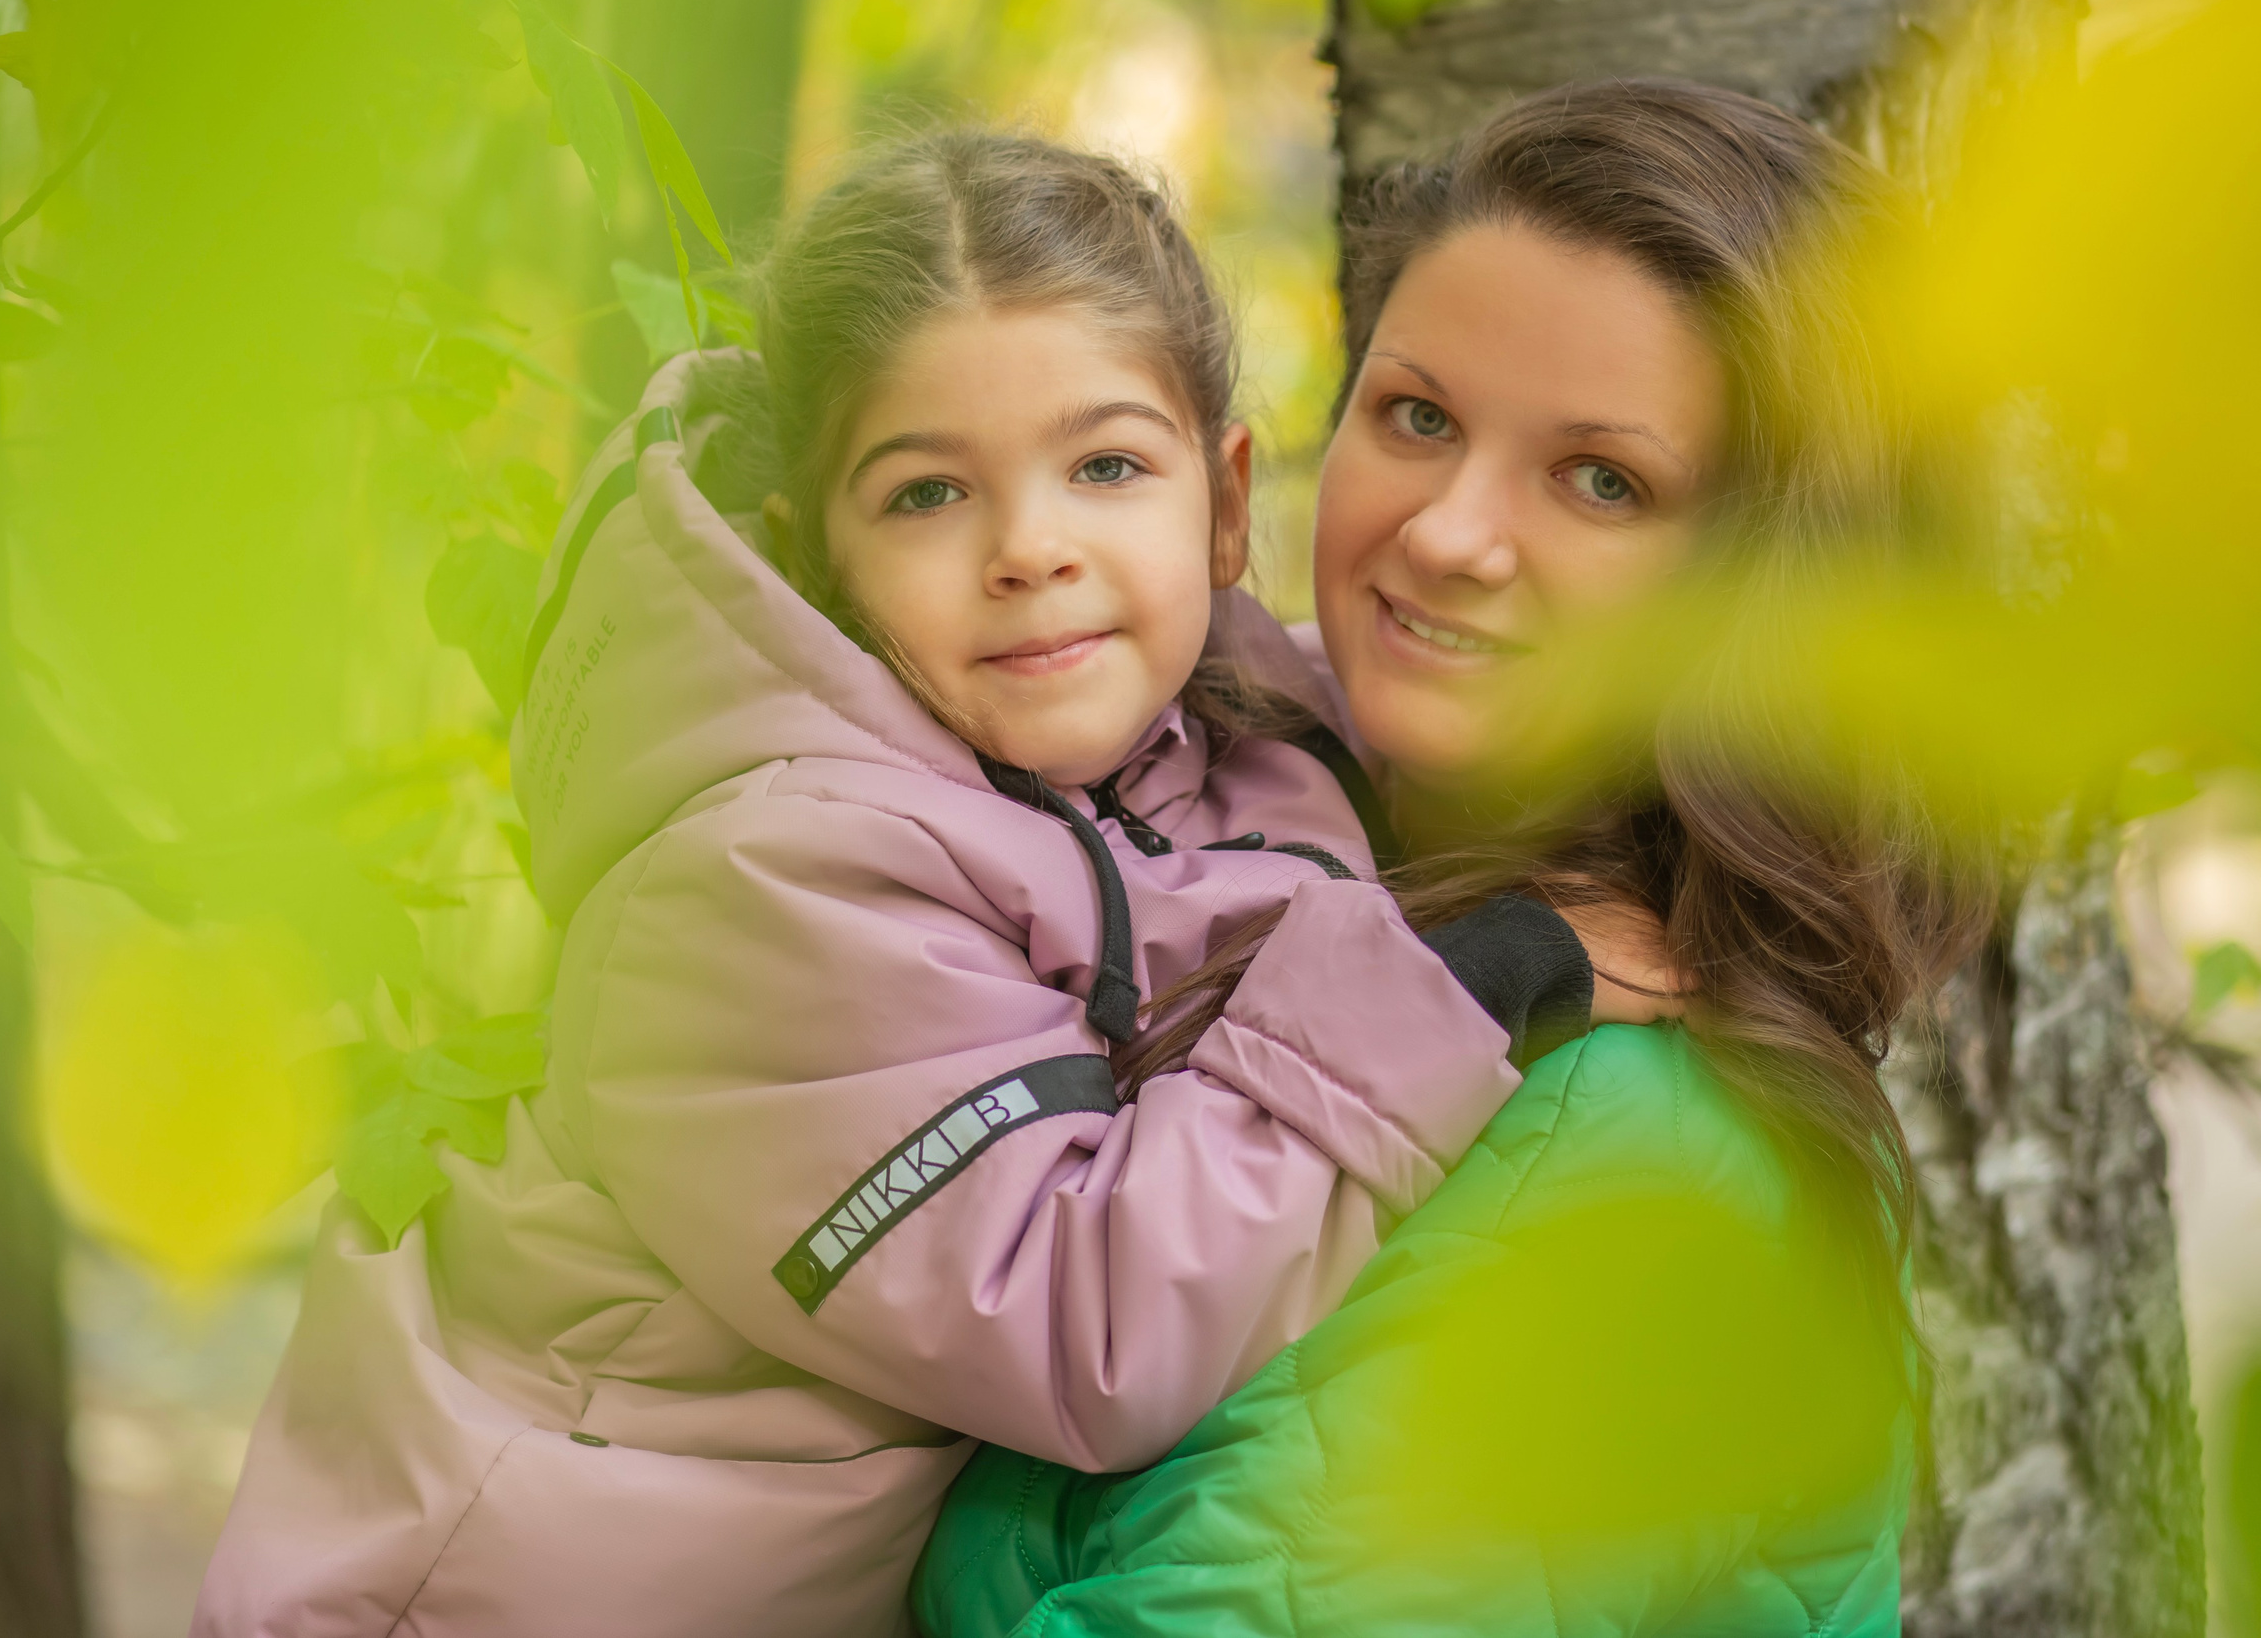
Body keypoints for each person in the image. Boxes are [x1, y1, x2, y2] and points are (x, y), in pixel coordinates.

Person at [194, 133, 1666, 1638]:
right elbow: (1086, 1321)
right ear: (816, 557)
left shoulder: (1223, 724)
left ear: (1225, 507)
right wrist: (1485, 974)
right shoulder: (760, 890)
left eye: (1105, 466)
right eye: (924, 495)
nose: (1032, 549)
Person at [913, 80, 1987, 1638]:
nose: (1447, 534)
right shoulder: (1258, 874)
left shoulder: (1605, 1153)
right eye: (1419, 415)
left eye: (1602, 480)